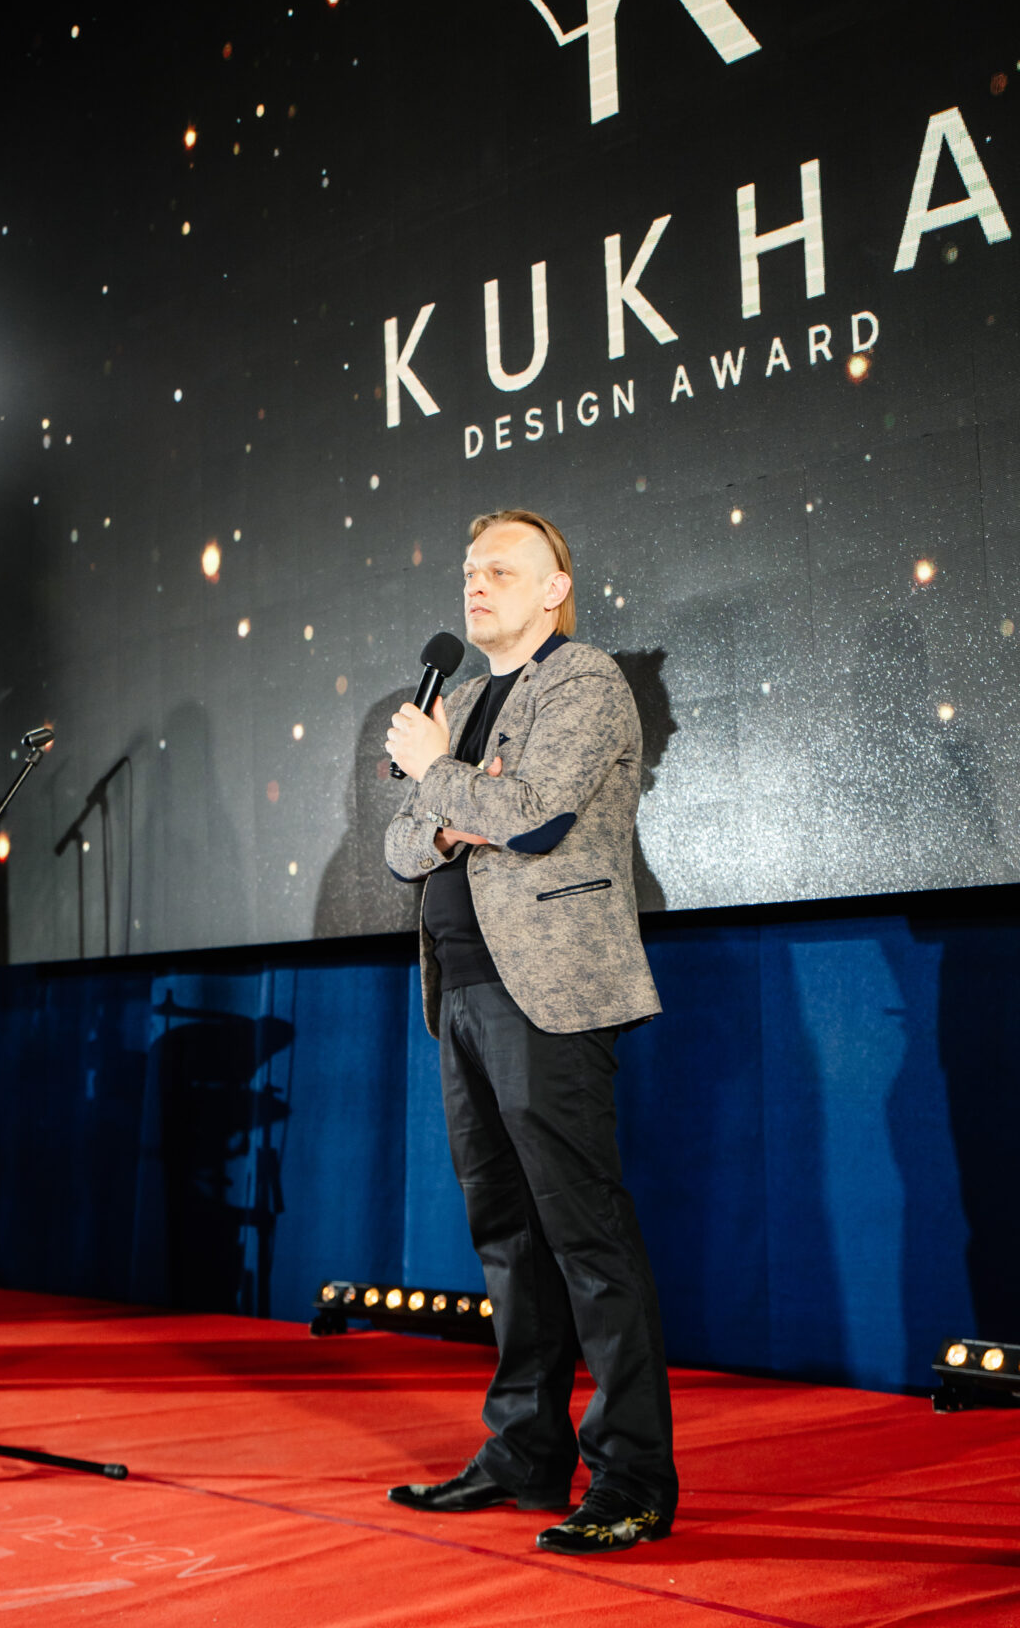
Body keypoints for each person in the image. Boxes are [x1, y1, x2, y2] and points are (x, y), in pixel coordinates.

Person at [383, 509, 677, 1557]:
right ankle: (523, 1453)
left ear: (555, 588)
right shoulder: (459, 702)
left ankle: (631, 1477)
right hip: (460, 989)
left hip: (549, 991)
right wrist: (464, 801)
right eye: (469, 568)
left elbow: (541, 816)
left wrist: (445, 783)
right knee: (505, 1238)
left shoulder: (584, 680)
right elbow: (400, 844)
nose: (476, 582)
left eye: (501, 569)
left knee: (583, 1235)